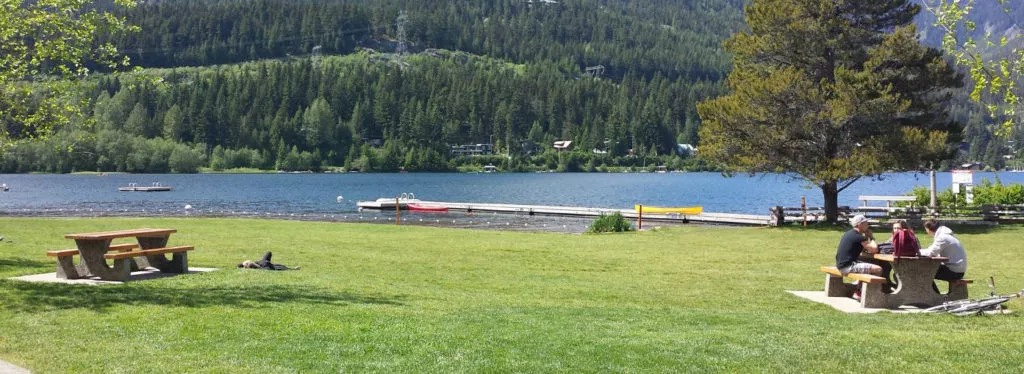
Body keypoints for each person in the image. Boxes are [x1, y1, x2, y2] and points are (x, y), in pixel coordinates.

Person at [835, 215, 883, 299]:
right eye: (866, 223)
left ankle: (859, 290)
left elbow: (860, 248)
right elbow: (874, 249)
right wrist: (871, 237)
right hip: (848, 266)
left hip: (841, 264)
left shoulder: (849, 233)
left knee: (867, 267)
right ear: (860, 224)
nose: (868, 225)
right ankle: (868, 295)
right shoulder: (859, 237)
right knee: (878, 269)